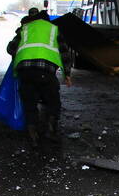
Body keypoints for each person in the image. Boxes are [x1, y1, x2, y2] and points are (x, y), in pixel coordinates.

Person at [7, 8, 73, 147]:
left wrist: (22, 54)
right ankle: (50, 130)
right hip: (46, 72)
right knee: (53, 102)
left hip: (26, 72)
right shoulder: (53, 29)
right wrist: (67, 74)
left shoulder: (25, 28)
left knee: (29, 104)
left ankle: (33, 135)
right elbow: (64, 53)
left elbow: (10, 48)